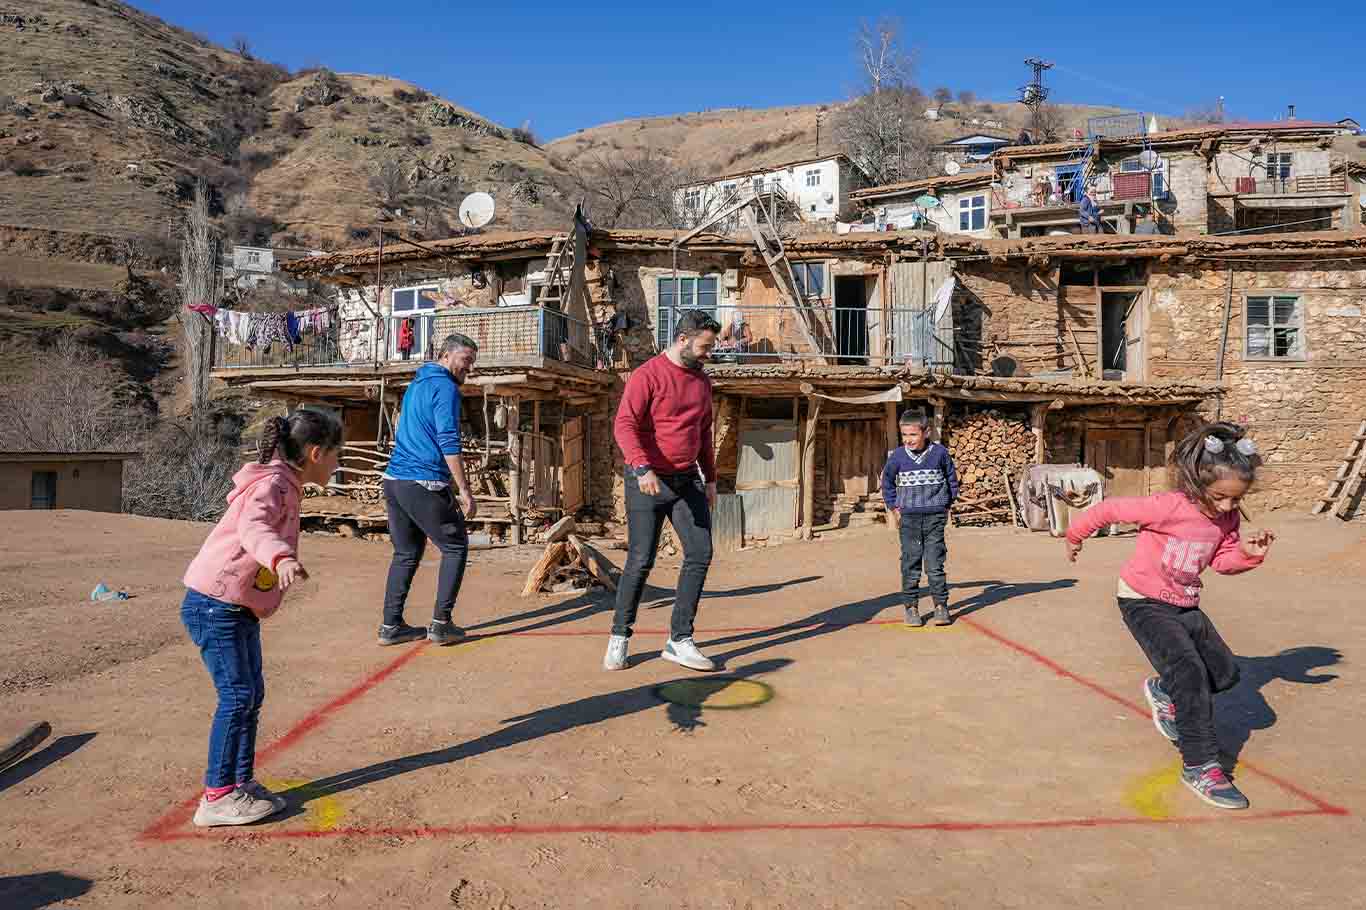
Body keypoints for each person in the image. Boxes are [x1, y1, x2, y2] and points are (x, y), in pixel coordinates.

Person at [1066, 422, 1275, 811]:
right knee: (1190, 675)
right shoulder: (1168, 506)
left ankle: (1164, 692)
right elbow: (1110, 509)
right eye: (1221, 498)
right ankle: (1201, 764)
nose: (1229, 508)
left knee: (1225, 673)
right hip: (1142, 599)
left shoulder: (1228, 517)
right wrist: (1075, 534)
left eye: (1236, 500)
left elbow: (1223, 562)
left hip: (1185, 602)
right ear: (1197, 484)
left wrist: (1247, 553)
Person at [181, 410, 343, 827]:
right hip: (215, 604)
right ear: (315, 452)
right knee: (237, 697)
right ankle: (216, 796)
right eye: (336, 455)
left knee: (250, 696)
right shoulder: (272, 484)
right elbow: (253, 529)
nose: (338, 464)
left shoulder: (285, 483)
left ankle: (239, 784)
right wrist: (280, 557)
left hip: (235, 606)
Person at [604, 309, 722, 672]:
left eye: (711, 346)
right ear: (683, 339)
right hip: (648, 481)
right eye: (704, 346)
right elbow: (624, 425)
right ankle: (619, 636)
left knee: (700, 552)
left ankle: (679, 640)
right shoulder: (648, 375)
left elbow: (702, 432)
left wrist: (712, 478)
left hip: (688, 479)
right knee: (641, 560)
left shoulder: (702, 382)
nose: (708, 353)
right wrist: (642, 466)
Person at [378, 333, 480, 647]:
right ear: (446, 355)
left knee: (406, 552)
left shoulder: (418, 383)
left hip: (394, 481)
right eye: (466, 360)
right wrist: (464, 489)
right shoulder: (445, 387)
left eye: (472, 362)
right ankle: (441, 623)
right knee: (455, 546)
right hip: (422, 481)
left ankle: (390, 626)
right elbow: (449, 440)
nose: (469, 368)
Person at [881, 409, 959, 627]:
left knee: (935, 564)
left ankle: (941, 606)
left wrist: (946, 504)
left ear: (926, 432)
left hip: (935, 518)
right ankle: (911, 607)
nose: (908, 440)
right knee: (910, 563)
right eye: (904, 435)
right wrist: (894, 507)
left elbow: (952, 479)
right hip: (909, 520)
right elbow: (886, 482)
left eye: (913, 435)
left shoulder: (940, 453)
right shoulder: (897, 456)